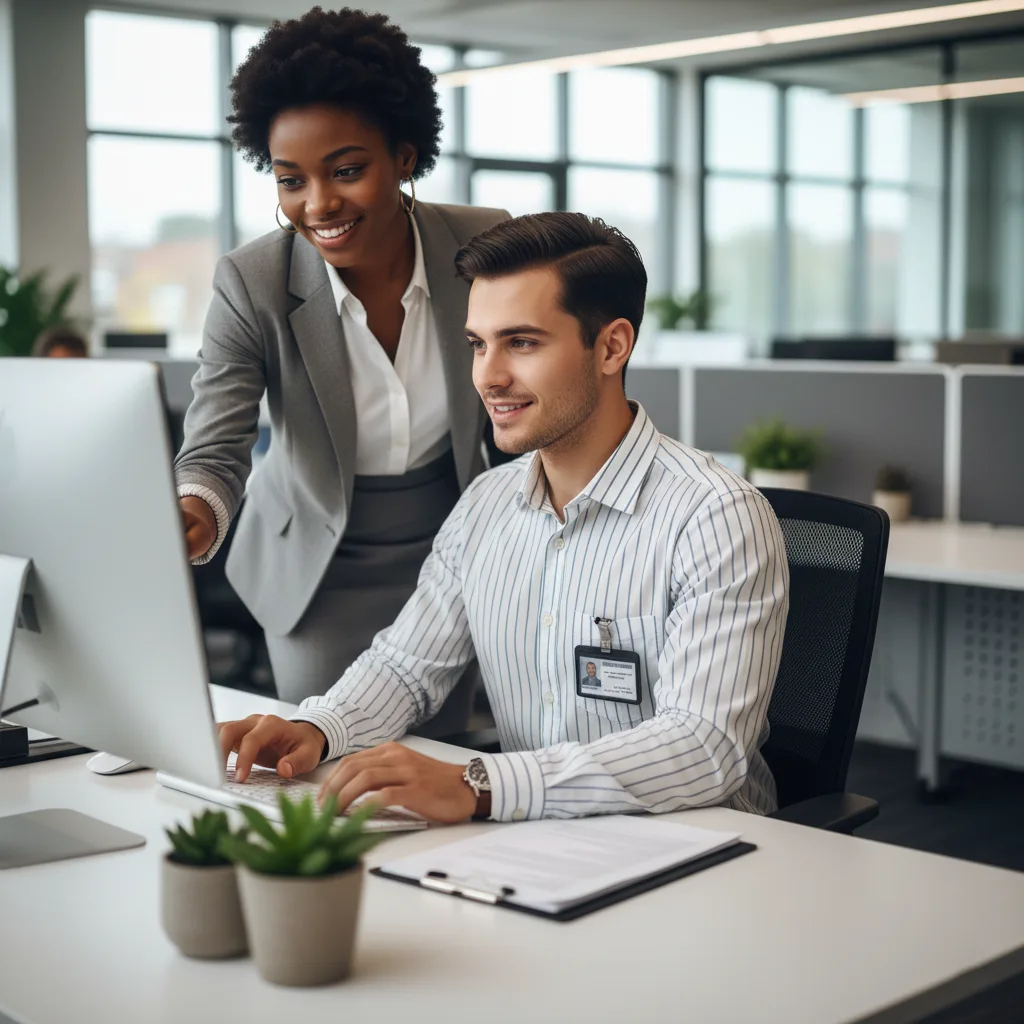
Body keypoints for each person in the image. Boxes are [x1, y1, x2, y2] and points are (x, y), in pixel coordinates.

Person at [218, 213, 790, 824]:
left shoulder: (714, 517)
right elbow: (406, 668)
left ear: (611, 347)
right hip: (533, 838)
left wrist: (482, 785)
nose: (488, 377)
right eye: (477, 344)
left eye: (522, 343)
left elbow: (703, 746)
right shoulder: (486, 504)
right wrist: (318, 727)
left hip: (701, 846)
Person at [172, 8, 507, 724]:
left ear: (405, 156)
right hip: (315, 570)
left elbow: (525, 393)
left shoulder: (483, 247)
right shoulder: (252, 281)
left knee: (438, 753)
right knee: (322, 757)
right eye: (290, 180)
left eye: (347, 170)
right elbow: (216, 442)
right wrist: (193, 510)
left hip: (453, 551)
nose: (319, 204)